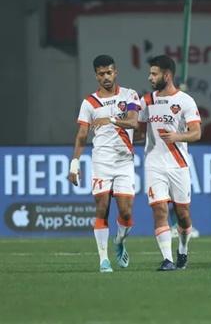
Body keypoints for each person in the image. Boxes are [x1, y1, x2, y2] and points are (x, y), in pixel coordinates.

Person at [68, 55, 140, 273]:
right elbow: (82, 135)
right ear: (96, 75)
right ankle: (103, 260)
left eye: (109, 72)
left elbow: (134, 122)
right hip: (101, 162)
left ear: (115, 72)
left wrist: (110, 120)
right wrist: (74, 162)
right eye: (101, 74)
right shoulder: (89, 103)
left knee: (126, 213)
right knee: (101, 208)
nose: (106, 77)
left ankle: (119, 242)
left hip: (124, 161)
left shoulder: (129, 95)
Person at [138, 55, 202, 271]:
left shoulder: (185, 101)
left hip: (178, 165)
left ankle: (182, 249)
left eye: (154, 73)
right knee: (159, 209)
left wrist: (177, 137)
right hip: (153, 163)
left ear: (167, 75)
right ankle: (167, 259)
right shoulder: (146, 101)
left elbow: (196, 133)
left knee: (183, 215)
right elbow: (139, 131)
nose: (150, 77)